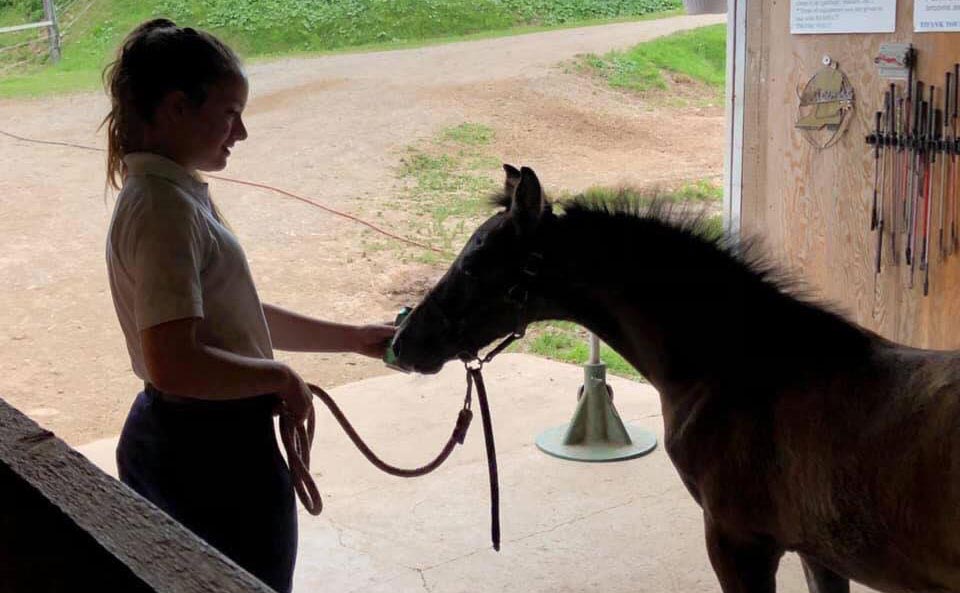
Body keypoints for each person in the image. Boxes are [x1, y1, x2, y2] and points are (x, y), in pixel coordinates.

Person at [102, 19, 395, 592]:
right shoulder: (166, 211)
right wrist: (280, 376)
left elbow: (234, 318)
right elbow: (175, 362)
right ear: (176, 108)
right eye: (230, 112)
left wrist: (355, 337)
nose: (241, 133)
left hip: (180, 440)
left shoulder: (166, 195)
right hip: (213, 457)